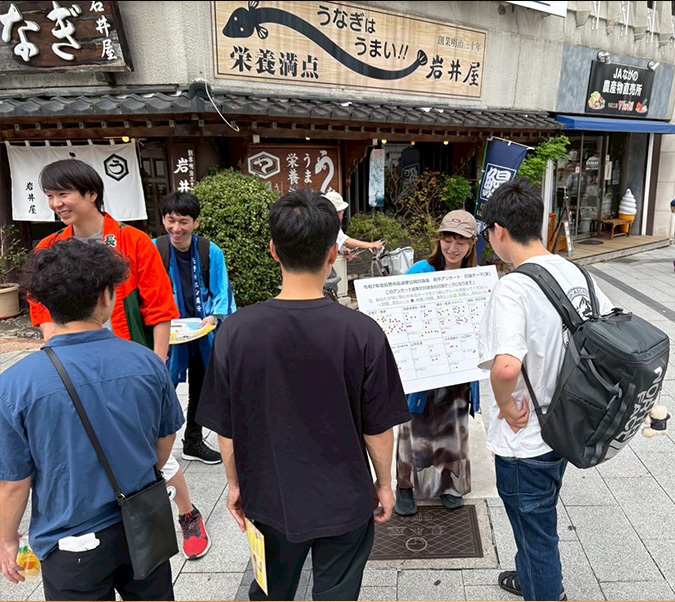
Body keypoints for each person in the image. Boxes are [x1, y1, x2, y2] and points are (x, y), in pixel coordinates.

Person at [196, 189, 410, 601]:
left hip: (269, 496)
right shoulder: (362, 333)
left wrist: (235, 485)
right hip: (345, 498)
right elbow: (378, 429)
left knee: (270, 590)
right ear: (333, 253)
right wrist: (385, 484)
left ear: (273, 251)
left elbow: (228, 429)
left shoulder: (236, 332)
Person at [28, 159, 210, 561]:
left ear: (91, 194)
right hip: (73, 372)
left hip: (130, 367)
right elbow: (43, 315)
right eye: (51, 196)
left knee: (146, 448)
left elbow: (159, 309)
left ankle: (187, 512)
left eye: (63, 194)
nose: (56, 204)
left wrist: (157, 369)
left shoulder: (133, 242)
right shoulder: (48, 249)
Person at [0, 239, 184, 600]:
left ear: (44, 304)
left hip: (70, 541)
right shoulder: (147, 362)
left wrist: (7, 539)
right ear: (106, 296)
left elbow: (14, 484)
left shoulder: (16, 385)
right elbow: (164, 444)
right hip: (143, 524)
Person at [477, 179, 614, 601]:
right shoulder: (577, 273)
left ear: (500, 231)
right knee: (538, 518)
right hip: (568, 425)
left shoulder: (513, 287)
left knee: (535, 532)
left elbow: (506, 367)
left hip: (526, 440)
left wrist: (505, 405)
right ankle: (532, 576)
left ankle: (545, 589)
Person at [394, 210, 481, 516]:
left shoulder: (476, 278)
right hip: (423, 365)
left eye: (460, 242)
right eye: (447, 239)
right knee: (414, 427)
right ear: (439, 239)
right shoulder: (420, 270)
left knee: (452, 427)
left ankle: (449, 484)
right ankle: (405, 486)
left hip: (457, 370)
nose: (452, 248)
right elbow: (398, 312)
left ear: (472, 244)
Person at [155, 192, 237, 465]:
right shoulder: (155, 249)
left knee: (201, 388)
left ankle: (193, 441)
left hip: (202, 332)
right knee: (161, 387)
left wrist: (215, 316)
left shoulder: (209, 251)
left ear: (196, 222)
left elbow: (222, 290)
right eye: (171, 220)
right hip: (167, 333)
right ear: (163, 220)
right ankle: (153, 444)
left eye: (184, 221)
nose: (176, 228)